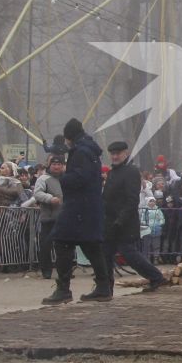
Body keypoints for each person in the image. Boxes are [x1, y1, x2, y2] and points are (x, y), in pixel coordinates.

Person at [44, 118, 108, 304]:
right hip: (88, 207)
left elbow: (80, 178)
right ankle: (103, 286)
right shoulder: (90, 150)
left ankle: (63, 289)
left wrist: (63, 177)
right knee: (91, 246)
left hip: (78, 207)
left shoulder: (80, 152)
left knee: (62, 242)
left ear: (69, 136)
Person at [101, 140, 164, 291]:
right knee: (105, 256)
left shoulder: (131, 171)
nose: (115, 157)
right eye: (112, 154)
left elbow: (132, 199)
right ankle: (105, 287)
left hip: (124, 223)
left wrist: (120, 220)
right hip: (109, 222)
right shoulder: (111, 173)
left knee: (130, 255)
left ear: (125, 154)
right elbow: (106, 197)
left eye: (118, 154)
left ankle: (156, 277)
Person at [30, 147, 65, 277]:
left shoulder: (66, 178)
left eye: (59, 164)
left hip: (63, 217)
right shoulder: (43, 179)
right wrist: (50, 199)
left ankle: (64, 270)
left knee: (63, 246)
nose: (56, 167)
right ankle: (46, 270)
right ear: (50, 165)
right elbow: (37, 194)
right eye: (54, 164)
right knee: (46, 245)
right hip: (49, 217)